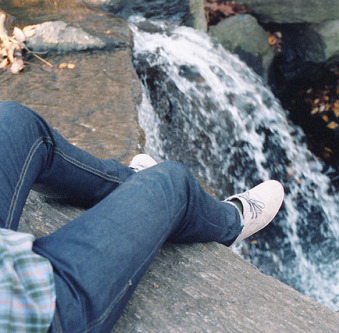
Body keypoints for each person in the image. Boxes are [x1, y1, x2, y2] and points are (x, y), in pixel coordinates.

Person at [0, 101, 284, 332]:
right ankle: (232, 222)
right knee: (172, 183)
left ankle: (127, 184)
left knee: (16, 120)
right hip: (30, 306)